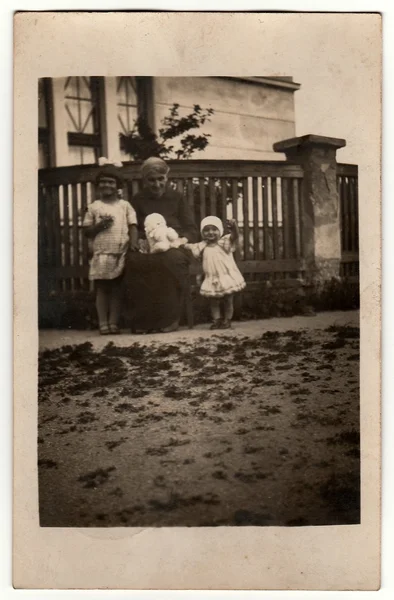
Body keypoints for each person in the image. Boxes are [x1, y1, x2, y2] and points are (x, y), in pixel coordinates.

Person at [124, 157, 198, 333]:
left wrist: (180, 241)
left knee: (170, 260)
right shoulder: (138, 199)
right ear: (145, 180)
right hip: (149, 246)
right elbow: (134, 226)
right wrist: (139, 240)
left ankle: (171, 319)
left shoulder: (177, 198)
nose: (156, 184)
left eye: (160, 179)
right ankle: (143, 320)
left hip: (176, 245)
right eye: (151, 180)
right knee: (133, 261)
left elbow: (191, 229)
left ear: (166, 178)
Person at [83, 160, 138, 335]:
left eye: (111, 182)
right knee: (102, 288)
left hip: (120, 252)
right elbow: (87, 231)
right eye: (103, 182)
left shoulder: (125, 206)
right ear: (98, 186)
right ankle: (103, 323)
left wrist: (134, 242)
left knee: (116, 289)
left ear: (117, 186)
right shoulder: (94, 207)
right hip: (102, 253)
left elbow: (133, 225)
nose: (107, 185)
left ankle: (114, 322)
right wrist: (100, 226)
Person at [184, 216, 246, 329]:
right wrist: (176, 242)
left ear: (220, 231)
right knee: (214, 301)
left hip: (226, 277)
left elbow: (235, 236)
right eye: (206, 230)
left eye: (214, 229)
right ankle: (217, 320)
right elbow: (188, 246)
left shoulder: (224, 242)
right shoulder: (202, 246)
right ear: (202, 232)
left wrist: (234, 227)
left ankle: (227, 320)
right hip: (212, 278)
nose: (210, 232)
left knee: (228, 300)